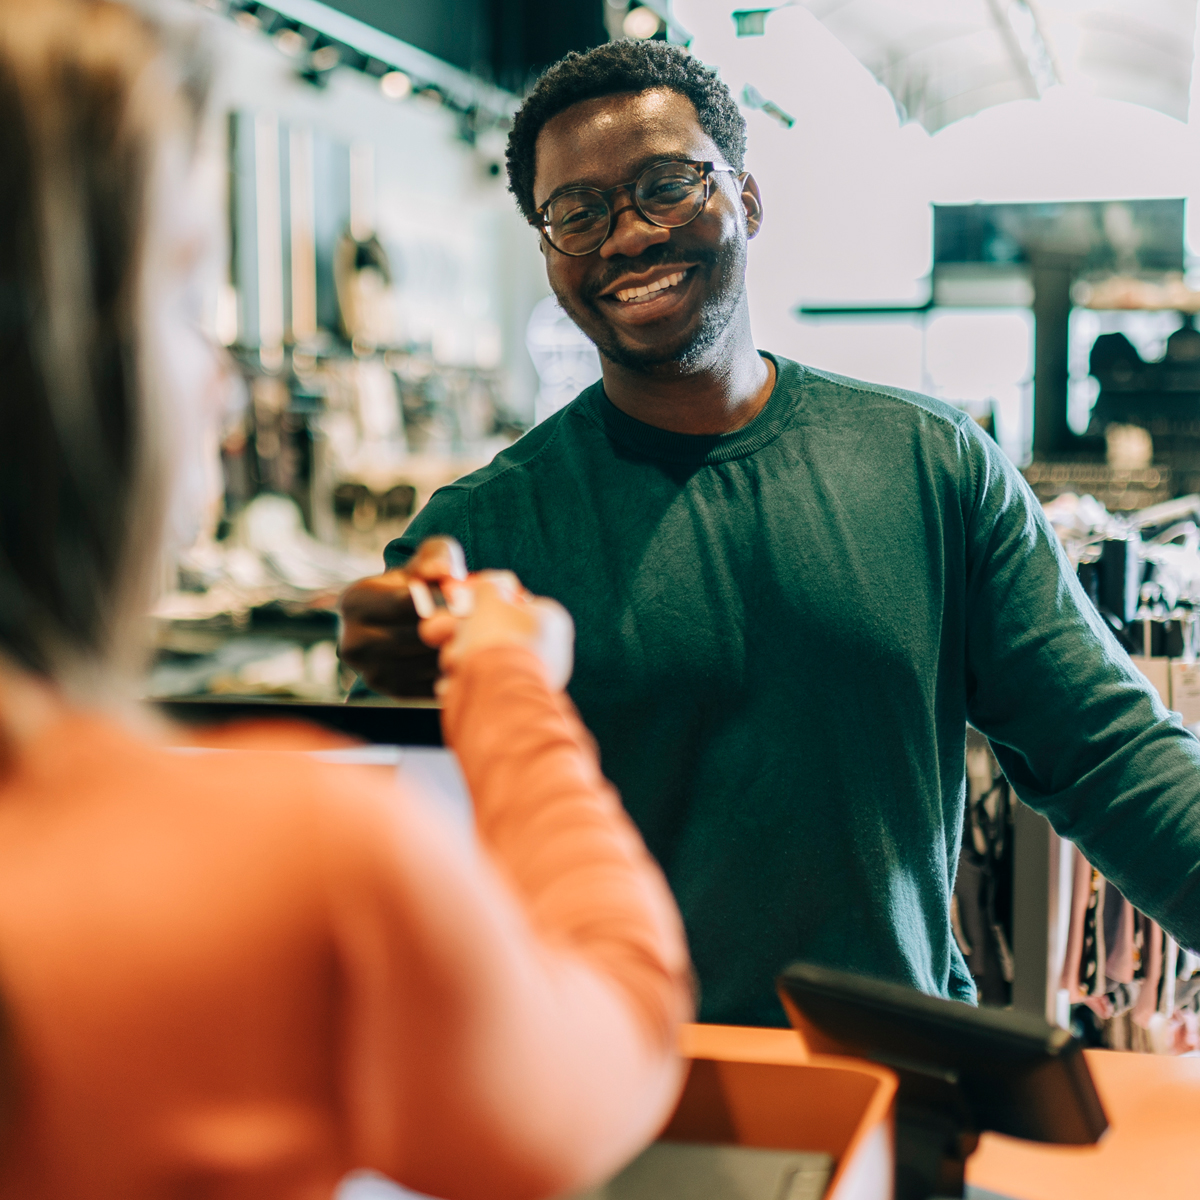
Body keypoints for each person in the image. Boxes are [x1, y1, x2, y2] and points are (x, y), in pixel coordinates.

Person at [340, 38, 1200, 1028]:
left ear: (745, 199)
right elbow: (389, 844)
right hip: (608, 1112)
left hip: (898, 1088)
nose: (625, 236)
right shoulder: (481, 533)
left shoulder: (932, 466)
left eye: (666, 185)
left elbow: (1107, 752)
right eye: (576, 212)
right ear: (549, 250)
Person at [0, 4, 692, 1197]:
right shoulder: (274, 873)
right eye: (180, 294)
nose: (220, 378)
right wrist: (510, 679)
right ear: (63, 353)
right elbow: (615, 1033)